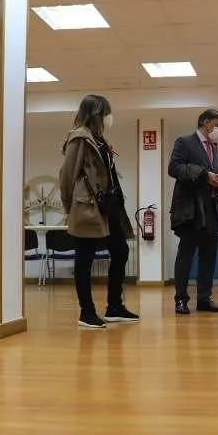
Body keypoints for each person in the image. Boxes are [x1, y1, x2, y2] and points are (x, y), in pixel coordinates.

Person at [58, 94, 139, 328]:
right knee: (84, 259)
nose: (109, 117)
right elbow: (66, 175)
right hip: (88, 208)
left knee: (121, 250)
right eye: (106, 112)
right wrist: (70, 208)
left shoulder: (99, 139)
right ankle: (87, 312)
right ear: (96, 113)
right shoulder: (80, 138)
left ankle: (114, 306)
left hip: (108, 205)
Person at [168, 108, 218, 315]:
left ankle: (204, 299)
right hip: (190, 210)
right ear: (206, 122)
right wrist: (204, 174)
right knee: (186, 255)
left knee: (208, 257)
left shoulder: (216, 149)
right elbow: (174, 168)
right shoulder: (184, 142)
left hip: (211, 209)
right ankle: (181, 300)